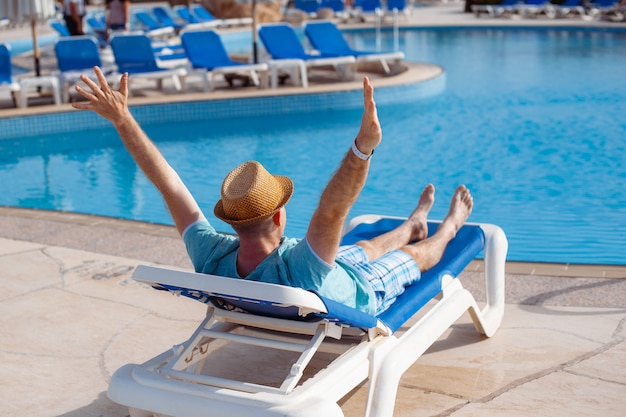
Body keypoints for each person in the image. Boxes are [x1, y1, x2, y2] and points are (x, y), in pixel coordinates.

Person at [71, 67, 474, 315]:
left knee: (363, 249)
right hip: (359, 293)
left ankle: (413, 222)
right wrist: (362, 148)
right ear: (280, 216)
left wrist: (123, 120)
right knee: (414, 258)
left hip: (334, 270)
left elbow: (169, 185)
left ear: (230, 220)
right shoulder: (300, 268)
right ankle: (448, 226)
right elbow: (332, 212)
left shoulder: (212, 256)